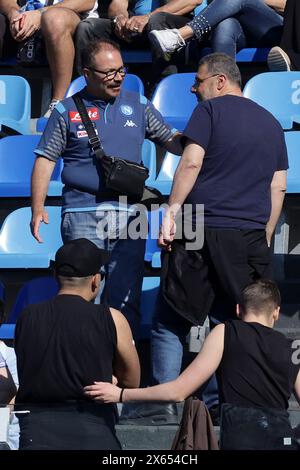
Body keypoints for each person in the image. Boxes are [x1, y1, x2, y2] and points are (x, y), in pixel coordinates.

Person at [136, 52, 287, 423]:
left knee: (171, 319)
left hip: (199, 227)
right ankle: (219, 408)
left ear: (220, 81)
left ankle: (164, 409)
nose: (193, 88)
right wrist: (264, 235)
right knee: (232, 321)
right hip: (249, 235)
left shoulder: (209, 112)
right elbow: (278, 186)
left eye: (198, 81)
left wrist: (170, 213)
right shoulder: (272, 123)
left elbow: (190, 162)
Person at [30, 38, 182, 341]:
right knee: (85, 300)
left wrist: (202, 137)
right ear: (86, 74)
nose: (117, 77)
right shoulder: (66, 111)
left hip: (131, 214)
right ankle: (85, 369)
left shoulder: (138, 104)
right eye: (108, 72)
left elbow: (171, 141)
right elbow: (46, 160)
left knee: (126, 301)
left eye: (121, 70)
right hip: (82, 211)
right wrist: (37, 208)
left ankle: (123, 374)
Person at [84, 279, 300, 450]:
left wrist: (121, 394)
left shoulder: (226, 332)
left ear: (237, 309)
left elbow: (178, 392)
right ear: (276, 312)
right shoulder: (292, 347)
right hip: (280, 439)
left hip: (239, 437)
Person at [14, 237, 140, 450]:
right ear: (96, 280)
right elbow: (132, 381)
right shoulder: (112, 318)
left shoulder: (26, 316)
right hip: (94, 430)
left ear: (55, 276)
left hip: (35, 431)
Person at [0, 0, 99, 115]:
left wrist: (40, 13)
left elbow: (87, 2)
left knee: (54, 19)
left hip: (76, 18)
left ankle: (60, 104)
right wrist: (14, 14)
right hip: (28, 15)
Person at [148, 0, 285, 61]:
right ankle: (225, 92)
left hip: (275, 30)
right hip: (241, 31)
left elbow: (287, 5)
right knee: (225, 25)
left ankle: (180, 36)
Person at [268, 0, 300, 71]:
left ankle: (293, 61)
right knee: (236, 26)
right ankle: (236, 80)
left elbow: (284, 5)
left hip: (279, 25)